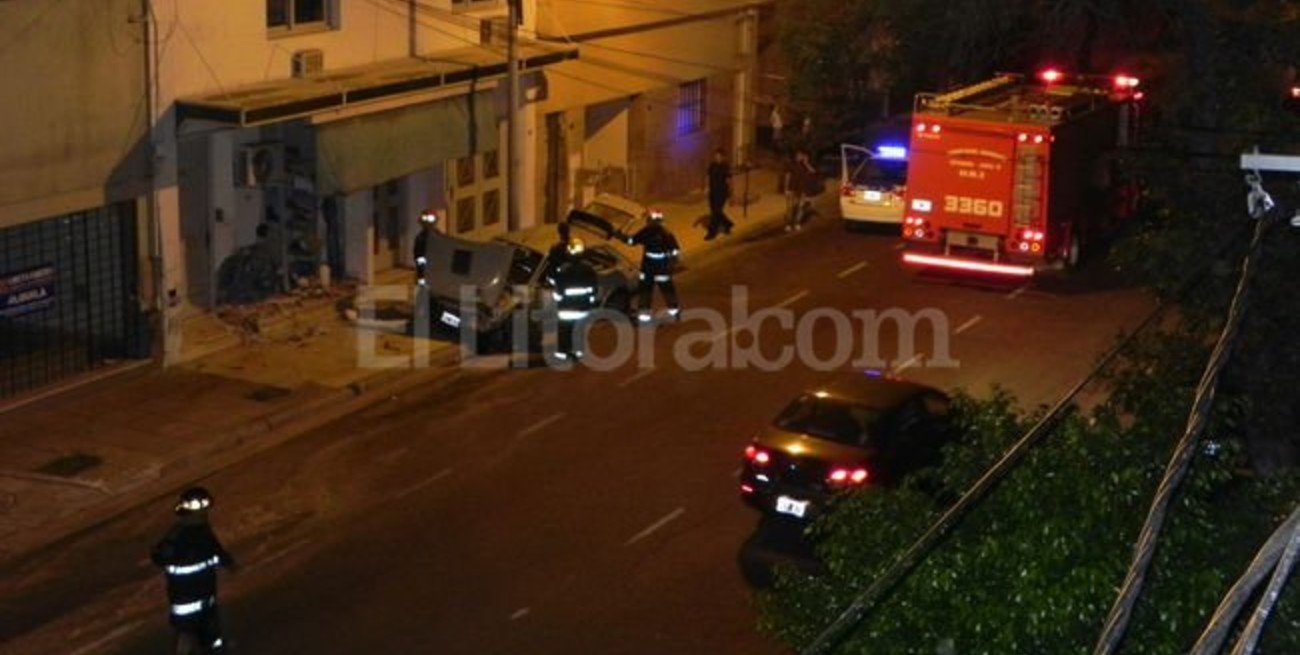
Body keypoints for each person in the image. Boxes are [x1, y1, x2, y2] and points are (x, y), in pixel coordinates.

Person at [151, 487, 235, 655]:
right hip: (185, 597)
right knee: (186, 633)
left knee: (211, 629)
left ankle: (216, 650)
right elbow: (159, 556)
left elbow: (215, 549)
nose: (204, 516)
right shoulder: (177, 536)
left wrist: (228, 562)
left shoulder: (204, 531)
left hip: (206, 593)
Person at [625, 209, 681, 323]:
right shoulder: (666, 233)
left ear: (649, 221)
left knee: (645, 291)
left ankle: (644, 316)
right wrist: (673, 262)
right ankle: (674, 312)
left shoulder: (646, 232)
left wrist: (621, 236)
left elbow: (632, 241)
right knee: (667, 291)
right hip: (662, 268)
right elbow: (675, 250)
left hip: (648, 268)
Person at [549, 237, 598, 361]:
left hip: (566, 308)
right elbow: (594, 289)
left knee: (564, 330)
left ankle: (563, 352)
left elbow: (558, 288)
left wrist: (557, 299)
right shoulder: (588, 269)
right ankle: (578, 352)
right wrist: (591, 302)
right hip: (582, 308)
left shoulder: (563, 269)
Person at [705, 148, 735, 240]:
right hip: (713, 192)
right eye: (715, 156)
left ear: (722, 157)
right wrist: (707, 188)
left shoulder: (725, 167)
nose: (717, 158)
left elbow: (729, 181)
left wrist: (731, 195)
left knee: (715, 212)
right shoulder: (712, 165)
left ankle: (712, 232)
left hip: (721, 193)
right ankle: (728, 224)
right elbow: (708, 177)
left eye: (718, 156)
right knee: (715, 211)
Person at [785, 150, 817, 231]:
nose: (799, 157)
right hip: (792, 188)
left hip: (802, 189)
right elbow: (787, 176)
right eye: (798, 155)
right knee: (790, 207)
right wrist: (786, 188)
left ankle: (797, 223)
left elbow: (813, 171)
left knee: (800, 207)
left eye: (801, 156)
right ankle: (788, 224)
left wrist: (806, 163)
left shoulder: (805, 166)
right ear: (795, 156)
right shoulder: (791, 164)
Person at [412, 207, 445, 288]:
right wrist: (422, 264)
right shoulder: (420, 238)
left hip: (437, 271)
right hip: (423, 271)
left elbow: (443, 253)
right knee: (422, 286)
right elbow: (417, 254)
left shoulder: (439, 237)